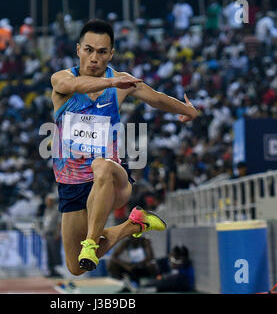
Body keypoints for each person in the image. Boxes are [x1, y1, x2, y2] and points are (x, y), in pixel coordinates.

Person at [50, 19, 198, 275]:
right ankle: (133, 226)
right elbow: (73, 86)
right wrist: (111, 83)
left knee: (102, 166)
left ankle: (91, 242)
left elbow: (157, 99)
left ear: (111, 54)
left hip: (112, 178)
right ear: (78, 49)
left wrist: (187, 110)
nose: (94, 58)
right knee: (75, 267)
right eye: (89, 50)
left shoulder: (122, 82)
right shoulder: (62, 79)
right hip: (72, 184)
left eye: (102, 52)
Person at [41, 193, 62, 277]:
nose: (47, 202)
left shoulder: (56, 210)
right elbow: (45, 222)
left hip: (54, 234)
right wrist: (43, 232)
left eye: (49, 200)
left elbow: (59, 222)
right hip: (47, 234)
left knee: (55, 253)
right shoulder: (46, 210)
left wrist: (57, 233)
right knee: (49, 253)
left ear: (52, 201)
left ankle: (57, 270)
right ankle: (51, 270)